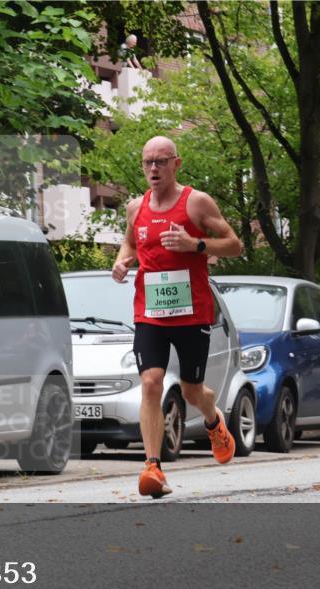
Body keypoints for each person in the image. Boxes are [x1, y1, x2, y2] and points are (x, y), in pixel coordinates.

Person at [112, 136, 244, 498]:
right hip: (150, 312)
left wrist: (196, 244)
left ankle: (214, 420)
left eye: (161, 161)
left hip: (192, 312)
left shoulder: (197, 203)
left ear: (176, 164)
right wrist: (122, 261)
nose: (153, 169)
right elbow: (130, 243)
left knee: (190, 391)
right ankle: (153, 467)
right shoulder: (135, 207)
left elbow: (234, 244)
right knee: (151, 382)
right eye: (147, 162)